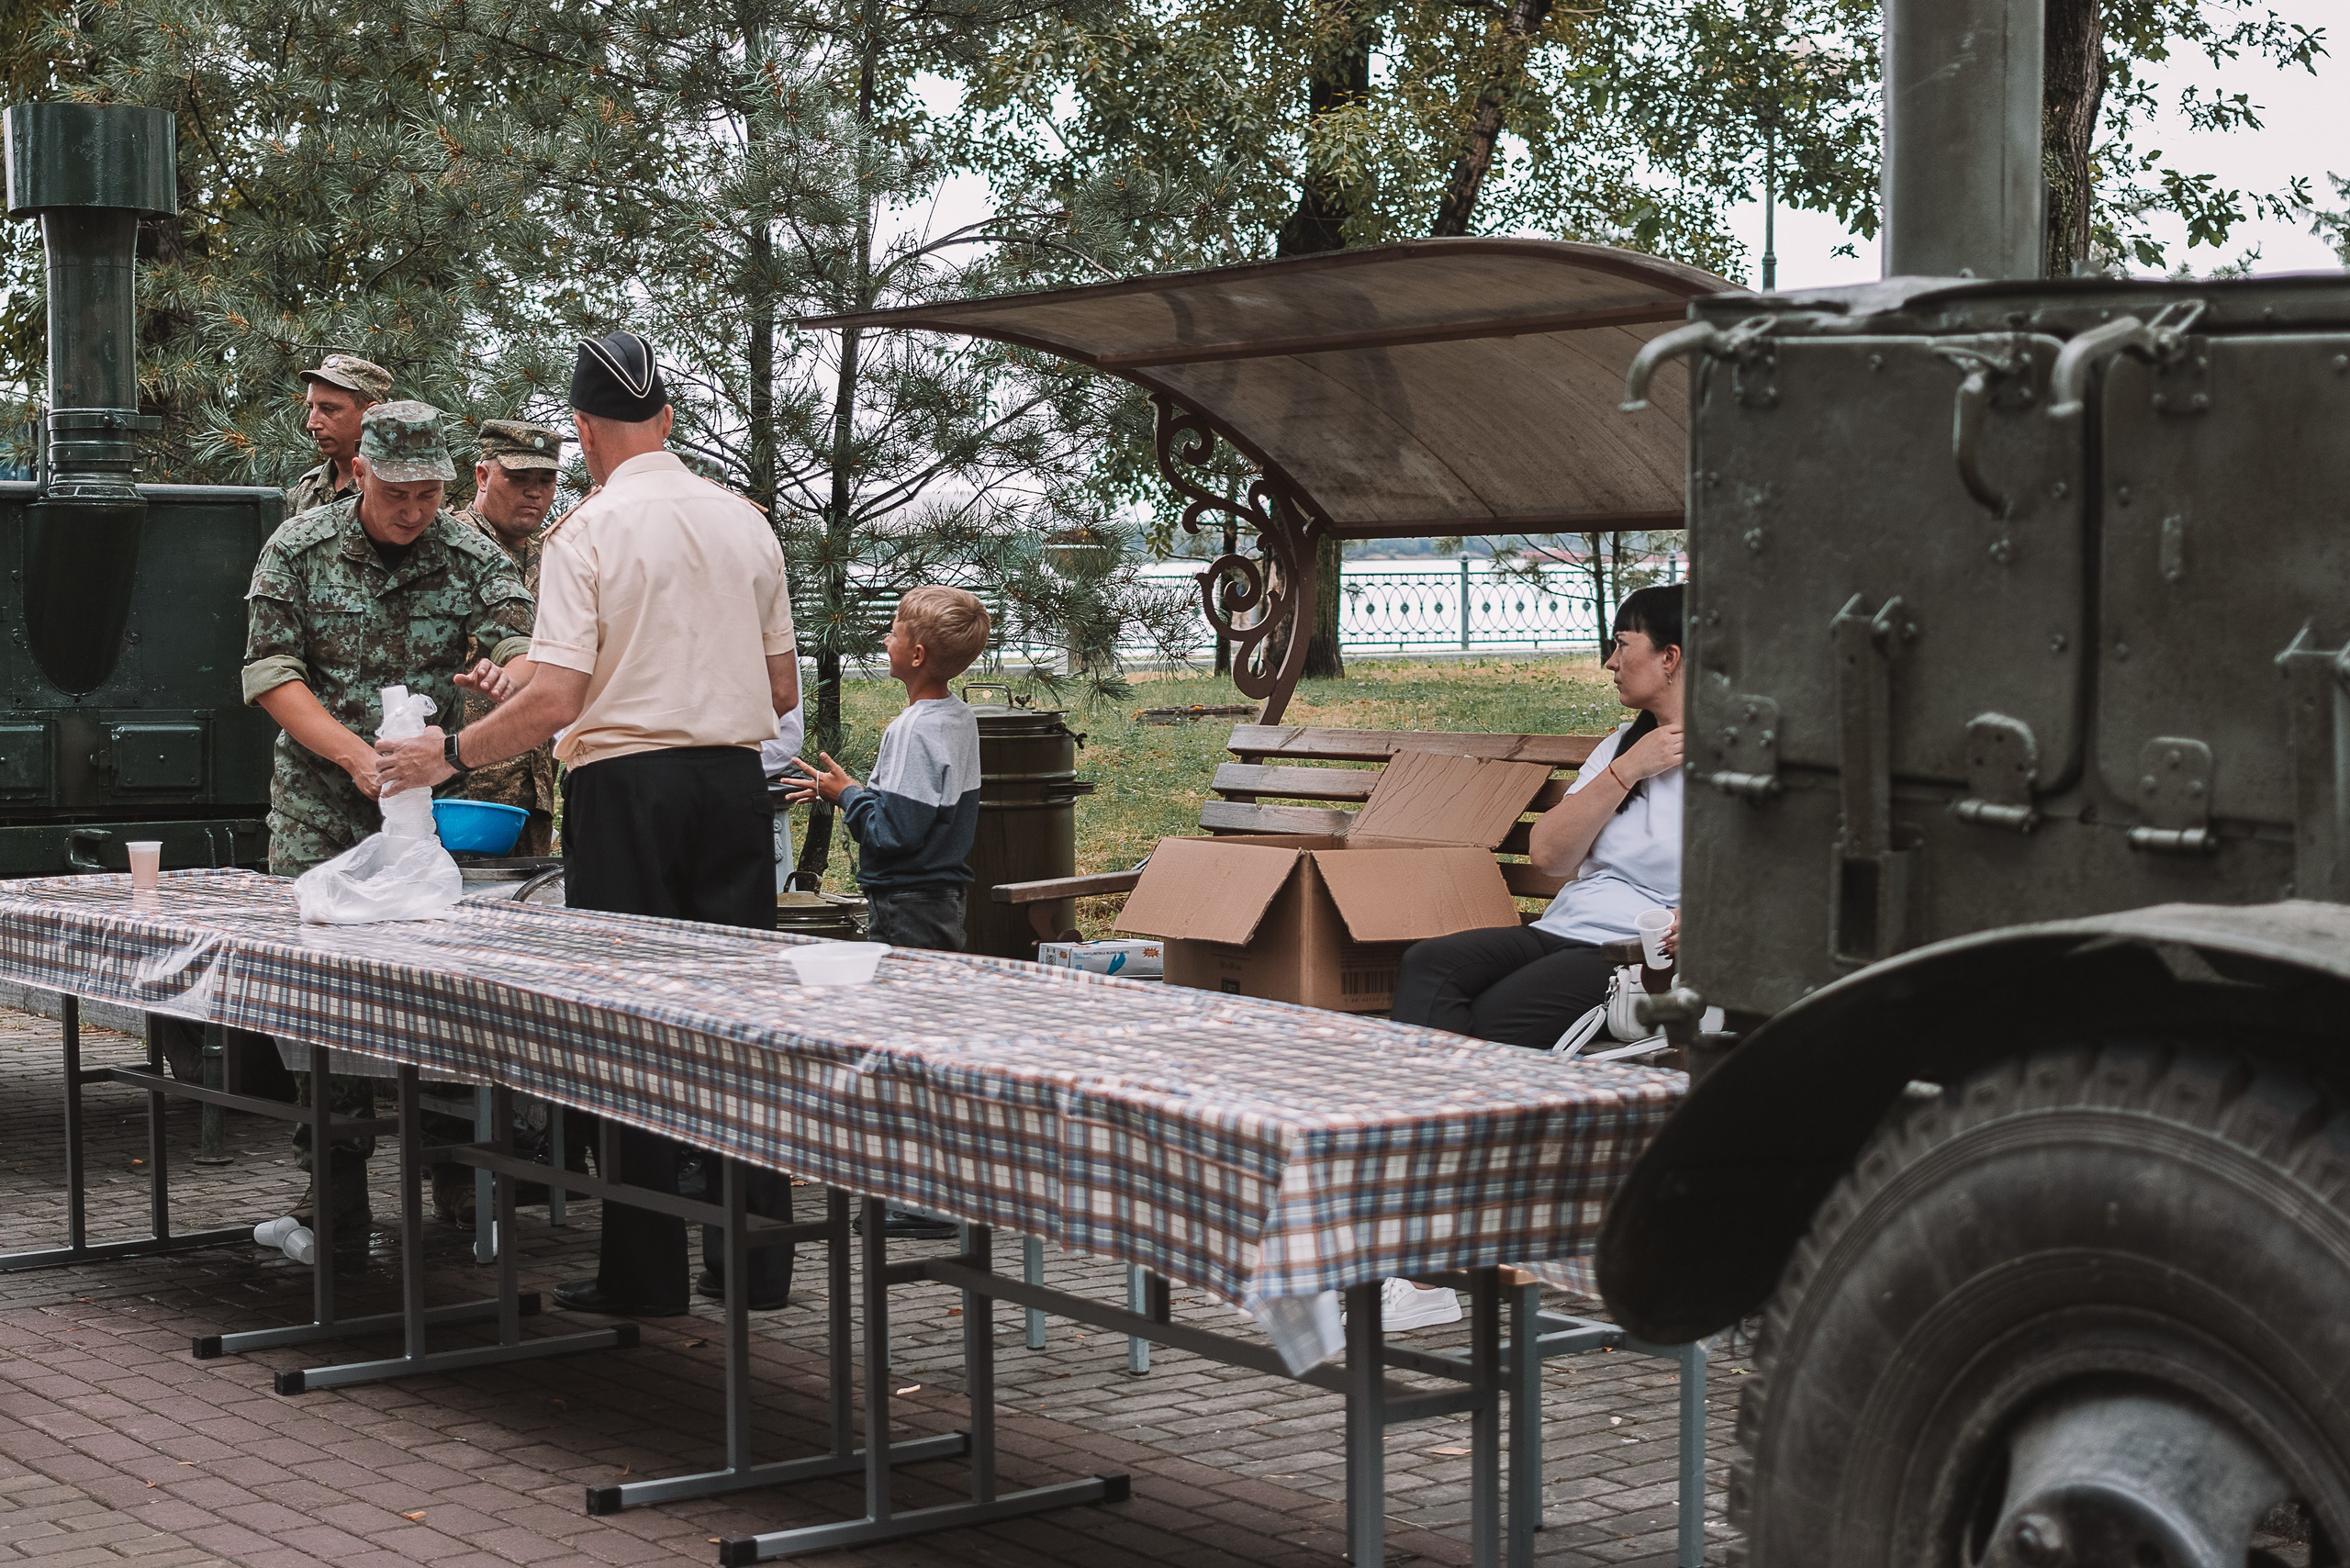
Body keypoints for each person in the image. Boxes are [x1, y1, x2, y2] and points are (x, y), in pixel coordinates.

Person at [375, 330, 801, 1316]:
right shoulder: (745, 523)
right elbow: (778, 685)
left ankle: (643, 1274)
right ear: (664, 421)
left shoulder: (586, 534)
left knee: (634, 1030)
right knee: (742, 1024)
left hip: (628, 793)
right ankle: (757, 1260)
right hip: (736, 787)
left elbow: (560, 698)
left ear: (580, 429)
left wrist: (453, 751)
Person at [242, 400, 536, 1232]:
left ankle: (455, 1177)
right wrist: (349, 758)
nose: (414, 510)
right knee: (316, 997)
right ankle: (332, 1184)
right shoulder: (297, 549)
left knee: (442, 993)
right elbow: (271, 673)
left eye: (429, 493)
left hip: (429, 813)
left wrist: (511, 681)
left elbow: (516, 640)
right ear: (362, 471)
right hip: (321, 809)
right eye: (398, 491)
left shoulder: (468, 551)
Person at [1390, 583, 1685, 1050]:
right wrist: (1629, 768)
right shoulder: (1621, 748)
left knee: (1489, 1023)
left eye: (1622, 645)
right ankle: (1422, 1108)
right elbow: (1548, 856)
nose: (1610, 662)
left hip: (1629, 954)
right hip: (1560, 929)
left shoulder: (1730, 764)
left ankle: (1417, 1110)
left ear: (1669, 657)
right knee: (1431, 963)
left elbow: (1778, 870)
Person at [784, 587, 987, 953]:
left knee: (905, 1003)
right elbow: (921, 809)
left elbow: (893, 834)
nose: (885, 639)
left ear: (917, 655)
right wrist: (848, 791)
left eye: (893, 633)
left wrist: (846, 795)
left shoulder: (912, 728)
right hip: (943, 898)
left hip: (907, 903)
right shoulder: (960, 717)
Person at [453, 419, 563, 857]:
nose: (534, 492)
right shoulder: (445, 546)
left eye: (545, 480)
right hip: (459, 784)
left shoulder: (556, 557)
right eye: (519, 479)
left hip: (533, 785)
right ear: (483, 476)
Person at [285, 354, 392, 517]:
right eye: (310, 408)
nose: (311, 424)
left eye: (329, 409)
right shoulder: (305, 491)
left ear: (371, 414)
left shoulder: (401, 489)